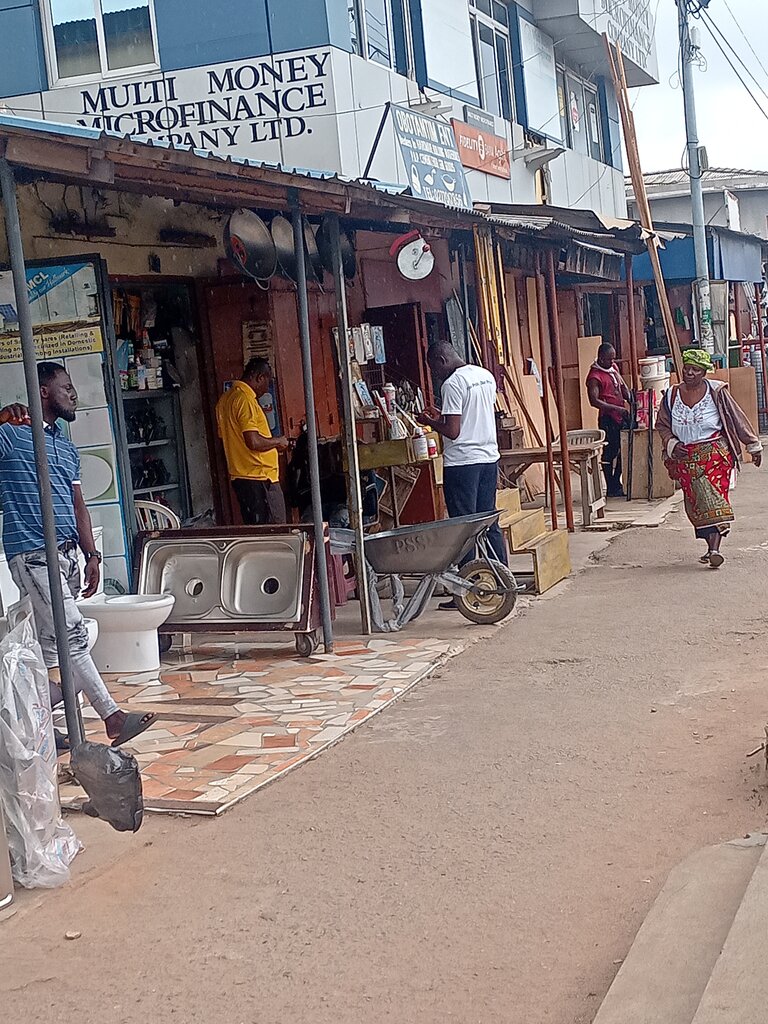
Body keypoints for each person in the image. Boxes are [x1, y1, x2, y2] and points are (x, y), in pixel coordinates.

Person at [0, 363, 156, 749]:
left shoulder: (65, 447)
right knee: (73, 635)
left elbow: (78, 504)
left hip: (68, 553)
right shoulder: (10, 436)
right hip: (34, 552)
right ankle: (113, 717)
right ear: (44, 393)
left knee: (53, 651)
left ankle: (28, 720)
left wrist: (93, 555)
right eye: (66, 388)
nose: (74, 394)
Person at [417, 342, 507, 606]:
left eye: (434, 367)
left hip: (463, 464)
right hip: (489, 458)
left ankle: (467, 589)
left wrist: (430, 422)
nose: (434, 373)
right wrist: (441, 416)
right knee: (488, 520)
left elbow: (454, 431)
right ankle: (501, 579)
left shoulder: (452, 384)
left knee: (463, 528)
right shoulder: (484, 375)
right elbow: (474, 416)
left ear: (442, 359)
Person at [656, 348, 762, 568]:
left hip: (714, 455)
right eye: (687, 368)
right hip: (685, 459)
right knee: (695, 505)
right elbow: (663, 425)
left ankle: (715, 549)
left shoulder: (717, 392)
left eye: (696, 370)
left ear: (704, 373)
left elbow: (737, 418)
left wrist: (753, 445)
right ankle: (710, 545)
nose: (690, 373)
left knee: (711, 498)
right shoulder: (672, 395)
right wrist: (672, 444)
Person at [216, 358, 290, 525]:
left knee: (257, 533)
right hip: (260, 478)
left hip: (241, 478)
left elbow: (229, 440)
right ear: (259, 377)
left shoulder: (225, 400)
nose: (266, 389)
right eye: (267, 382)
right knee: (274, 535)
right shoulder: (245, 400)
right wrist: (277, 442)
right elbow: (253, 442)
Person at [586, 343, 632, 497]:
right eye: (609, 359)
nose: (612, 362)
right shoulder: (594, 376)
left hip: (621, 415)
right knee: (609, 452)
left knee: (624, 449)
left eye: (613, 359)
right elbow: (594, 401)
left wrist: (630, 397)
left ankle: (616, 481)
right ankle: (610, 484)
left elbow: (621, 387)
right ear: (601, 358)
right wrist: (615, 408)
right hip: (608, 418)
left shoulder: (613, 369)